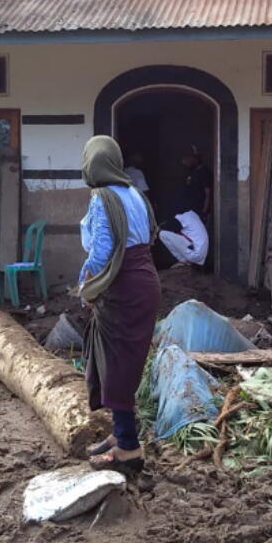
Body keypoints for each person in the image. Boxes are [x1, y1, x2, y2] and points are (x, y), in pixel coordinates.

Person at [76, 136, 161, 477]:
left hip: (122, 287)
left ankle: (129, 450)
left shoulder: (101, 198)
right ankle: (121, 433)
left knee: (116, 365)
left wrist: (87, 287)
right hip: (144, 281)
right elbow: (150, 235)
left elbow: (100, 253)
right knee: (123, 363)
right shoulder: (134, 193)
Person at [180, 146, 213, 219]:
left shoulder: (204, 173)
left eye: (187, 159)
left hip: (200, 212)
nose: (184, 162)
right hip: (191, 212)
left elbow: (208, 194)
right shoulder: (192, 172)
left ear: (195, 158)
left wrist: (204, 212)